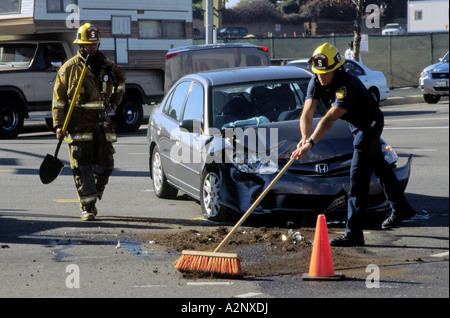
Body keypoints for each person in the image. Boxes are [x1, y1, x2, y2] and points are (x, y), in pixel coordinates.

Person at [291, 43, 415, 247]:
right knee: (380, 167)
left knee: (358, 178)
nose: (321, 76)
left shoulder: (348, 85)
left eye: (326, 72)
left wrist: (311, 143)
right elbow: (307, 111)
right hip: (356, 125)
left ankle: (354, 233)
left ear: (336, 68)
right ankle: (401, 208)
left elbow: (328, 120)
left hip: (370, 125)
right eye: (318, 72)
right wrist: (304, 137)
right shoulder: (316, 80)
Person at [52, 23, 126, 221]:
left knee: (106, 165)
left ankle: (92, 194)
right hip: (78, 127)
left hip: (101, 126)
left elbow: (120, 84)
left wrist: (115, 104)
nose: (91, 48)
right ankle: (87, 207)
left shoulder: (107, 67)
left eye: (94, 44)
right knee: (82, 167)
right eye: (87, 44)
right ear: (80, 45)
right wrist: (59, 125)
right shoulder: (68, 70)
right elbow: (58, 101)